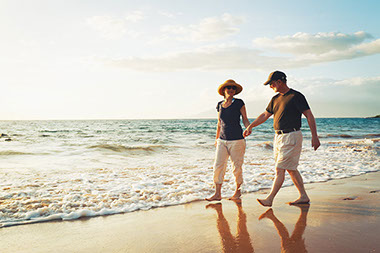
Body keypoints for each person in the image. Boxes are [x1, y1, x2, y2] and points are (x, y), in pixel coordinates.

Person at [243, 71, 320, 206]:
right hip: (278, 137)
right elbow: (265, 115)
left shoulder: (296, 96)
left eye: (271, 84)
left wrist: (315, 136)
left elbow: (309, 115)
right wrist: (251, 126)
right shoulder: (275, 99)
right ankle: (303, 196)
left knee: (280, 169)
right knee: (290, 168)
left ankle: (270, 199)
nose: (270, 87)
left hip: (292, 136)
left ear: (279, 82)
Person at [206, 79, 250, 201]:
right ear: (224, 90)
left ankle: (237, 191)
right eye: (228, 88)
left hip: (237, 140)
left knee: (236, 166)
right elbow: (219, 123)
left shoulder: (239, 103)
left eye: (233, 88)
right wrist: (216, 138)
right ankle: (217, 194)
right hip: (222, 140)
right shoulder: (219, 104)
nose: (231, 90)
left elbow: (245, 119)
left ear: (235, 91)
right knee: (218, 165)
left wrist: (248, 127)